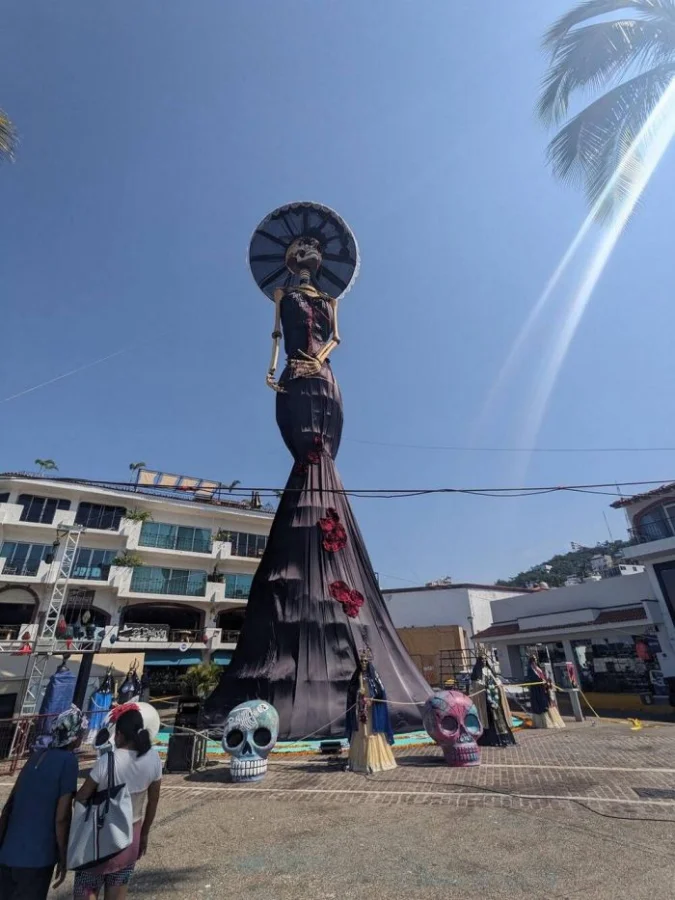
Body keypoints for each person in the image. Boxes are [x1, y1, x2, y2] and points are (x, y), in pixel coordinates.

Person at [73, 705, 162, 900]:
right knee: (118, 889)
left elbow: (82, 796)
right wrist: (144, 833)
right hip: (131, 836)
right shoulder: (154, 759)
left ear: (119, 734)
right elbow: (153, 801)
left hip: (99, 836)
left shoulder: (108, 761)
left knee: (86, 888)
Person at [0, 705, 86, 899]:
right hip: (38, 856)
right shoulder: (68, 762)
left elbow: (10, 804)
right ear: (74, 736)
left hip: (8, 851)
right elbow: (62, 817)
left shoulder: (35, 757)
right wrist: (63, 855)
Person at [346, 649, 397, 774]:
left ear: (368, 662)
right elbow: (350, 693)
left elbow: (381, 692)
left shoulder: (374, 677)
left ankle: (374, 762)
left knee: (371, 734)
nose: (363, 663)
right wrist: (358, 694)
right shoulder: (356, 677)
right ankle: (361, 762)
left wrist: (372, 700)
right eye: (361, 661)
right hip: (361, 711)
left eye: (365, 661)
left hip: (372, 712)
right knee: (361, 734)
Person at [470, 654, 516, 747]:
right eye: (482, 659)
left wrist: (497, 683)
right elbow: (475, 684)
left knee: (499, 716)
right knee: (489, 718)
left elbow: (495, 680)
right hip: (485, 700)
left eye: (485, 659)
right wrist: (482, 685)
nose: (484, 661)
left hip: (494, 696)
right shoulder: (477, 671)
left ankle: (503, 737)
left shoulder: (489, 670)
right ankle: (490, 739)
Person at [526, 654, 566, 729]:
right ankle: (542, 722)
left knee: (547, 702)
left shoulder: (538, 668)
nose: (535, 661)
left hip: (543, 688)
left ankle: (550, 720)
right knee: (541, 704)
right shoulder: (530, 669)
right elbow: (532, 678)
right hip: (537, 689)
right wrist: (541, 681)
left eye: (535, 660)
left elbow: (542, 676)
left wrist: (546, 681)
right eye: (534, 660)